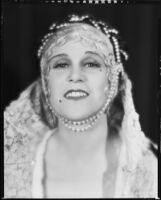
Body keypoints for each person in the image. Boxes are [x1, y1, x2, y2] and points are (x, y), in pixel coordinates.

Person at [4, 14, 158, 198]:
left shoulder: (148, 168)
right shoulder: (12, 164)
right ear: (46, 82)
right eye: (61, 64)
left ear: (114, 80)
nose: (75, 76)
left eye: (91, 63)